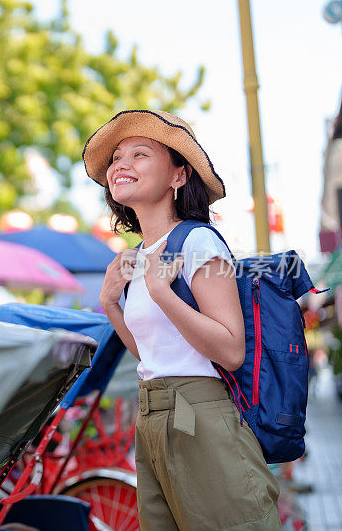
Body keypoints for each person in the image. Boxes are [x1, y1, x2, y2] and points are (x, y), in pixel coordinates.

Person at [86, 110, 280, 530]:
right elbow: (157, 354)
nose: (121, 164)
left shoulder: (198, 240)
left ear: (179, 176)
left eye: (140, 154)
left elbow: (230, 350)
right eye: (117, 157)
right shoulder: (139, 257)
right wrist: (111, 305)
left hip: (200, 416)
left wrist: (161, 293)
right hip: (152, 415)